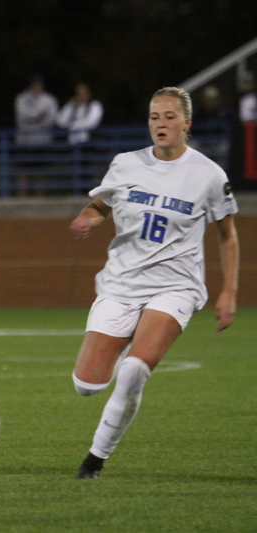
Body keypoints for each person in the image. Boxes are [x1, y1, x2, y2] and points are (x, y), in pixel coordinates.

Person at [68, 87, 240, 479]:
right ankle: (126, 337)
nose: (160, 124)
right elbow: (101, 205)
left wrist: (229, 291)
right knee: (87, 386)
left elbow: (228, 235)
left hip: (176, 286)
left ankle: (94, 461)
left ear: (186, 123)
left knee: (132, 372)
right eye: (153, 117)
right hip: (121, 282)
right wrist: (89, 218)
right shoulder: (126, 164)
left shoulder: (209, 175)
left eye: (169, 117)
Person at [15, 74, 59, 195]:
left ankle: (40, 194)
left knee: (41, 170)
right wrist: (38, 117)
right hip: (25, 140)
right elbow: (22, 116)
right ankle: (22, 195)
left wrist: (36, 119)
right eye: (34, 84)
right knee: (23, 169)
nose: (37, 86)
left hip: (42, 140)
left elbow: (51, 118)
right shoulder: (22, 98)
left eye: (39, 84)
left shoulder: (49, 99)